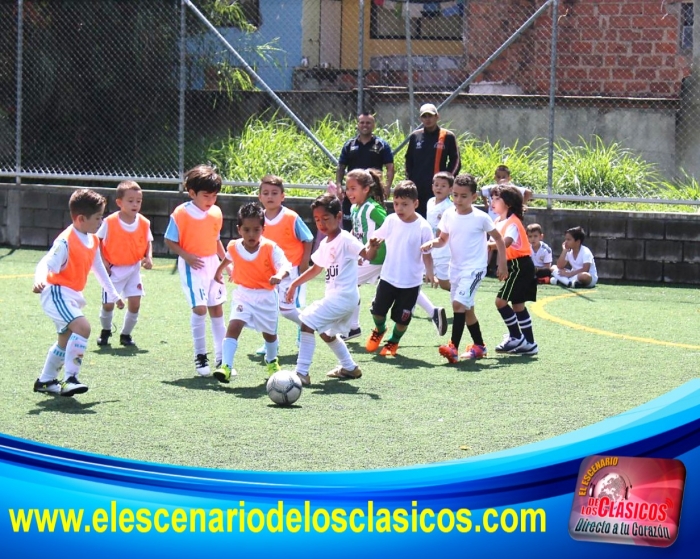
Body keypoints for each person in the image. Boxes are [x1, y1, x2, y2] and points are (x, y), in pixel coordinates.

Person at [32, 189, 124, 397]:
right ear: (81, 218)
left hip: (71, 295)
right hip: (56, 293)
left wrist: (113, 294)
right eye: (98, 218)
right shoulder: (65, 240)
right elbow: (46, 262)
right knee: (82, 327)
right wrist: (38, 279)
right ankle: (70, 379)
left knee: (65, 339)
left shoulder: (92, 240)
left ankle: (45, 381)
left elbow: (99, 268)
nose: (101, 222)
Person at [284, 194, 375, 386]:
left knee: (307, 323)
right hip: (338, 298)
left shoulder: (345, 239)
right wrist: (294, 284)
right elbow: (316, 268)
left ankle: (301, 373)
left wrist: (372, 247)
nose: (321, 223)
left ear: (339, 216)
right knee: (326, 332)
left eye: (326, 218)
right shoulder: (325, 243)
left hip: (343, 298)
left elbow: (367, 254)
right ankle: (350, 367)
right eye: (317, 219)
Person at [421, 174, 507, 363]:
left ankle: (453, 347)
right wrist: (431, 244)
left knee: (458, 304)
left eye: (463, 196)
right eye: (455, 195)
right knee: (467, 310)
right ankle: (479, 346)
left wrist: (502, 263)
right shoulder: (449, 214)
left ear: (474, 197)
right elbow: (443, 239)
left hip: (474, 269)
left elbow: (499, 239)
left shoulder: (481, 218)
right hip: (456, 268)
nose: (458, 200)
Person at [211, 203, 291, 383]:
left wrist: (279, 275)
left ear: (263, 229)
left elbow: (286, 265)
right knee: (234, 326)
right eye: (247, 230)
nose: (251, 234)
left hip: (266, 297)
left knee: (269, 334)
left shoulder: (270, 247)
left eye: (256, 230)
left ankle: (271, 362)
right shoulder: (234, 246)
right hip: (243, 294)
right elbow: (227, 258)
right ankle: (226, 366)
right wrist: (218, 271)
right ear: (239, 230)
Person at [164, 165, 227, 377]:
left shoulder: (216, 212)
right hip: (193, 266)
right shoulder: (181, 213)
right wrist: (187, 256)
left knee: (217, 309)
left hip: (212, 265)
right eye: (206, 195)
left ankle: (223, 359)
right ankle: (201, 357)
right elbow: (169, 240)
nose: (211, 200)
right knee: (200, 309)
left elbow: (216, 239)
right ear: (192, 193)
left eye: (214, 195)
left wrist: (226, 262)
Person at [365, 181, 436, 357]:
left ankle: (393, 341)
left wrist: (430, 273)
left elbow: (427, 253)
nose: (399, 208)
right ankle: (379, 330)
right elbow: (376, 237)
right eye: (396, 204)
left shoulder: (423, 227)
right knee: (378, 312)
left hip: (410, 282)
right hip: (388, 277)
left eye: (405, 204)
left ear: (416, 204)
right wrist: (371, 246)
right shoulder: (390, 221)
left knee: (402, 319)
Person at [256, 174, 314, 355]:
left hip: (291, 271)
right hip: (269, 273)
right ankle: (270, 343)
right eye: (265, 193)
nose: (270, 197)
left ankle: (306, 324)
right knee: (267, 308)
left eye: (274, 193)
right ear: (259, 197)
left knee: (287, 310)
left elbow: (308, 238)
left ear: (283, 196)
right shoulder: (258, 218)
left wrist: (304, 263)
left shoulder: (291, 217)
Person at [96, 180, 153, 347]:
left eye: (138, 201)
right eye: (130, 201)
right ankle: (106, 331)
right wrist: (104, 262)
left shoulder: (144, 222)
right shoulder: (110, 221)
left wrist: (148, 257)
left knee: (135, 303)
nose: (135, 204)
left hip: (134, 268)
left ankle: (126, 334)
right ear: (119, 202)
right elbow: (98, 240)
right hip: (113, 269)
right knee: (108, 305)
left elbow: (148, 241)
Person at [489, 186, 539, 355]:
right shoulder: (497, 222)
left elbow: (505, 243)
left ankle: (516, 336)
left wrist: (479, 244)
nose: (492, 202)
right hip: (515, 265)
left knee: (500, 302)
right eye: (492, 198)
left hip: (520, 265)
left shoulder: (513, 222)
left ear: (508, 203)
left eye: (497, 199)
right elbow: (494, 246)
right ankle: (530, 343)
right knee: (518, 305)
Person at [342, 168, 387, 341]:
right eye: (347, 188)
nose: (349, 192)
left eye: (353, 188)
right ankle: (433, 311)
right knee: (404, 285)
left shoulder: (372, 208)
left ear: (366, 189)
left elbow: (390, 224)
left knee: (348, 281)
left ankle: (352, 327)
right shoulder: (354, 208)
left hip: (377, 256)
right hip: (367, 256)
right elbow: (356, 231)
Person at [336, 112, 395, 231]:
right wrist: (338, 185)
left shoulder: (381, 145)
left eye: (368, 123)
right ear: (357, 125)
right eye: (362, 122)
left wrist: (387, 187)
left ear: (373, 125)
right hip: (353, 192)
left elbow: (390, 168)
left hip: (373, 192)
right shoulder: (349, 145)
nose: (365, 125)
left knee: (374, 225)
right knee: (350, 225)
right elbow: (341, 167)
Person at [405, 103, 460, 218]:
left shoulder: (447, 136)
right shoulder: (415, 136)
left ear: (437, 116)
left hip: (438, 187)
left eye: (430, 116)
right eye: (424, 116)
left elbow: (456, 160)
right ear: (420, 119)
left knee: (438, 219)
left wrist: (447, 180)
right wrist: (410, 180)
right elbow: (408, 159)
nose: (427, 119)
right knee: (418, 216)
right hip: (418, 185)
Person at [425, 171, 454, 291]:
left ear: (450, 189)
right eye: (436, 185)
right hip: (429, 245)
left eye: (443, 186)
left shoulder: (449, 207)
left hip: (443, 249)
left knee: (444, 283)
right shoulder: (430, 201)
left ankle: (462, 293)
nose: (439, 188)